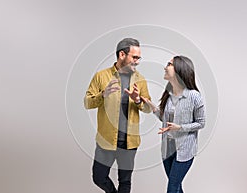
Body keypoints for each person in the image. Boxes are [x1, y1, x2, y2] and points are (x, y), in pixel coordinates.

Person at [84, 38, 152, 193]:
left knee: (125, 182)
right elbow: (87, 103)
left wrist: (138, 100)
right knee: (99, 177)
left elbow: (149, 109)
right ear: (122, 54)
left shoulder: (140, 79)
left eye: (138, 58)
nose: (137, 61)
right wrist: (103, 95)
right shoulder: (101, 77)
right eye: (134, 57)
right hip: (106, 141)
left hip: (129, 143)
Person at [142, 55, 205, 193]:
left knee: (172, 188)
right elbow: (164, 118)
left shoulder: (194, 96)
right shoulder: (169, 94)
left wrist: (180, 128)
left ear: (179, 70)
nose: (165, 67)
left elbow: (201, 123)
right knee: (176, 187)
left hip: (184, 150)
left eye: (169, 64)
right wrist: (150, 104)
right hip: (168, 148)